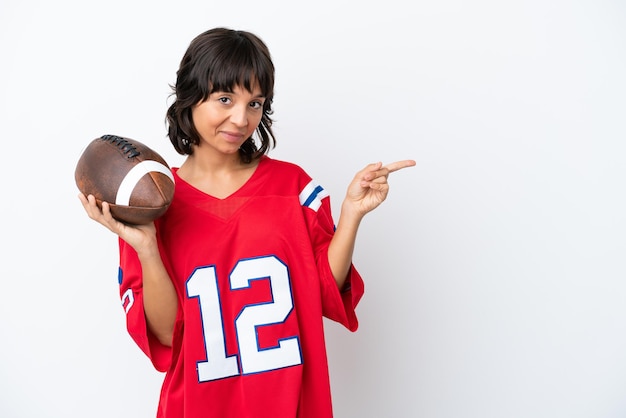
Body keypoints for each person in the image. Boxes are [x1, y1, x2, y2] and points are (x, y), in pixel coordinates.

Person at [79, 27, 415, 418]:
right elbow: (169, 337)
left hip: (289, 403)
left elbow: (324, 289)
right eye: (225, 99)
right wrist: (148, 248)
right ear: (189, 98)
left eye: (254, 103)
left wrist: (351, 215)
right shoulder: (149, 205)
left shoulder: (293, 186)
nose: (241, 118)